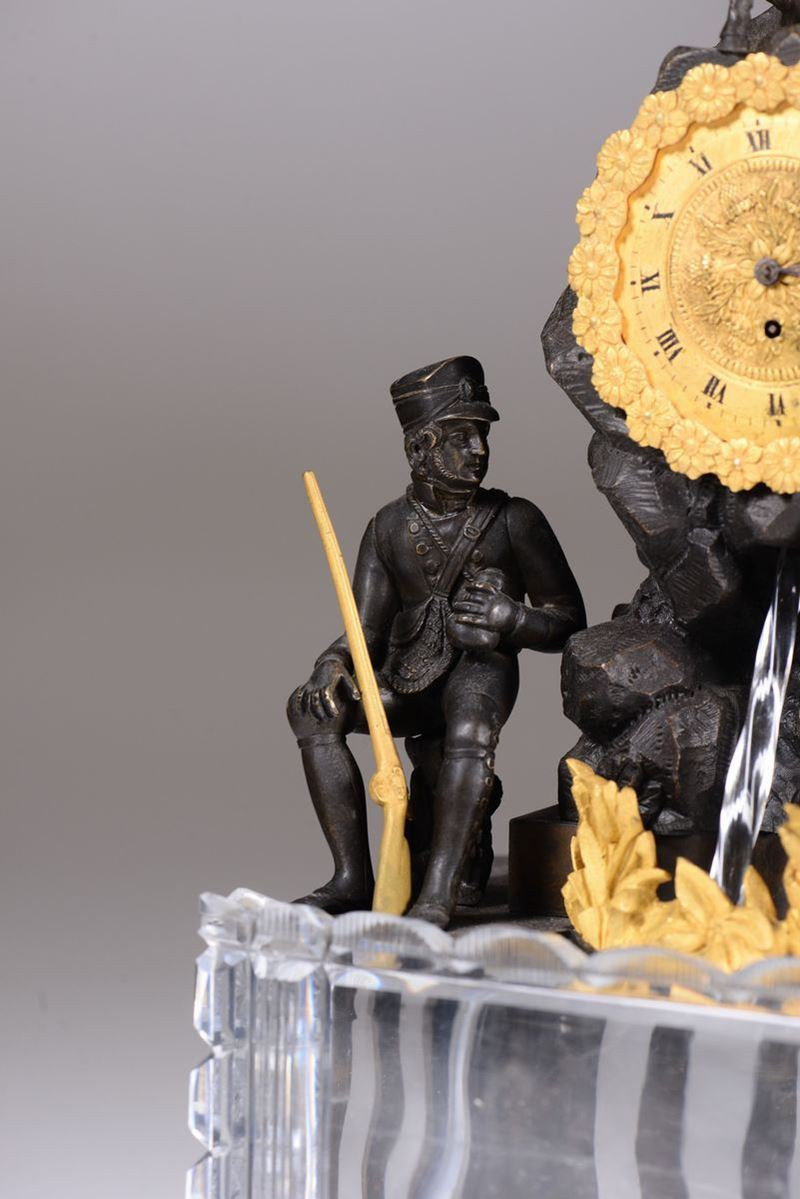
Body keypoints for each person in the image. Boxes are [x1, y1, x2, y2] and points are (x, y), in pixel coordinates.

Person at [287, 356, 586, 927]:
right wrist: (331, 664)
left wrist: (512, 617)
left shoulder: (515, 520)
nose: (478, 449)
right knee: (312, 710)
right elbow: (367, 629)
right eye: (460, 437)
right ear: (421, 448)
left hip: (481, 669)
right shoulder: (387, 527)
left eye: (481, 435)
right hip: (408, 674)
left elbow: (569, 620)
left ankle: (439, 890)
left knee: (469, 733)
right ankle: (352, 878)